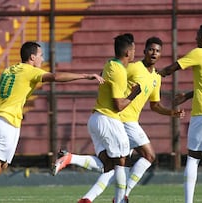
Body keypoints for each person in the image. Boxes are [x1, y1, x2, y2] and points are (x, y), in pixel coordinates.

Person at [0, 41, 105, 203]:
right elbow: (54, 77)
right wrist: (85, 76)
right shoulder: (30, 71)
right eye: (40, 55)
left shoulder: (8, 71)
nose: (42, 58)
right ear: (32, 57)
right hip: (7, 122)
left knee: (0, 165)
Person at [52, 36, 185, 202]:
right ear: (143, 51)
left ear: (161, 54)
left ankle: (87, 196)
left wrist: (171, 113)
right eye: (150, 49)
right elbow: (111, 75)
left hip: (117, 120)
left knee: (110, 167)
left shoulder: (156, 78)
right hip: (121, 119)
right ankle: (122, 197)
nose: (153, 53)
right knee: (145, 156)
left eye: (157, 51)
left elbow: (154, 105)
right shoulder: (132, 67)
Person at [158, 23, 202, 203]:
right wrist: (187, 96)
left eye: (197, 35)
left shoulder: (198, 53)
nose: (195, 39)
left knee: (193, 158)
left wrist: (154, 74)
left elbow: (171, 69)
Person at [74, 33, 140, 203]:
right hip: (108, 118)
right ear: (128, 52)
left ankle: (87, 198)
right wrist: (134, 94)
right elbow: (118, 105)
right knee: (122, 161)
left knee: (108, 165)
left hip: (96, 119)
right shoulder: (119, 71)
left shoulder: (110, 64)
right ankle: (119, 201)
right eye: (133, 49)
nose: (134, 53)